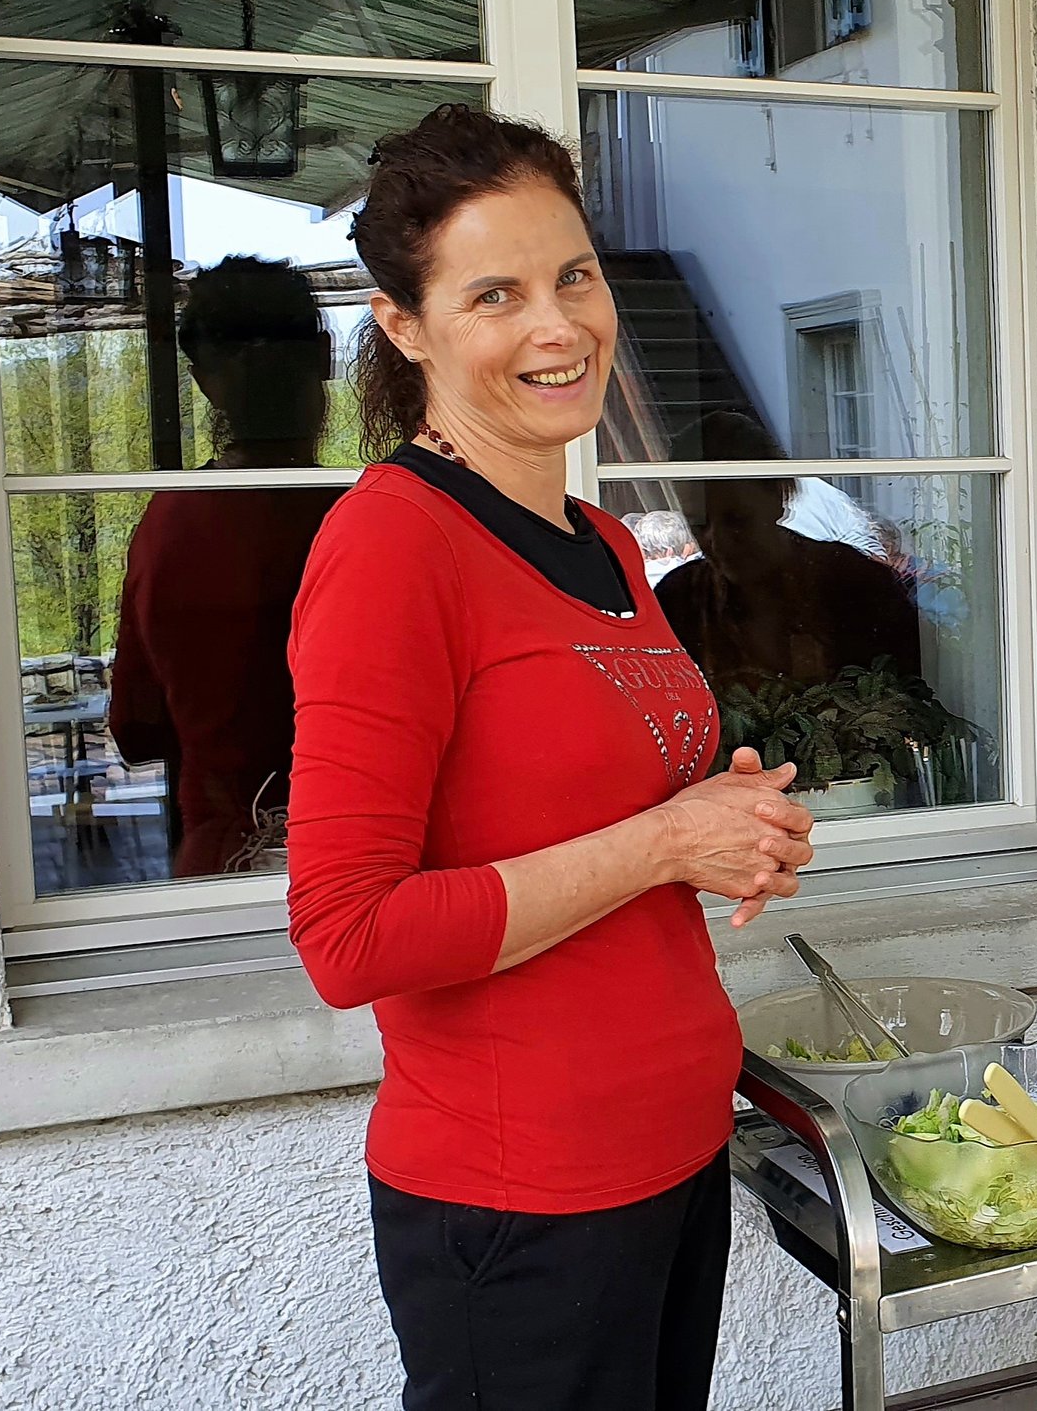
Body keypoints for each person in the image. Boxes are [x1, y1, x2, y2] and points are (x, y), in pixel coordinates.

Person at [286, 105, 817, 1411]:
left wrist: (726, 818)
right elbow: (349, 936)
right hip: (519, 1206)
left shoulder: (604, 541)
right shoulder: (393, 549)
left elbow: (591, 807)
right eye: (495, 293)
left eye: (574, 274)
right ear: (405, 324)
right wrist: (662, 840)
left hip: (672, 1157)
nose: (558, 324)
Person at [108, 256, 345, 876]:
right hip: (362, 857)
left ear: (203, 380)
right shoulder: (367, 517)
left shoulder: (169, 527)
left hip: (218, 876)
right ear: (324, 356)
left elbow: (136, 730)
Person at [654, 410, 923, 692]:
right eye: (699, 524)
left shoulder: (857, 585)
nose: (717, 542)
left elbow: (910, 697)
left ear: (780, 496)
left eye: (737, 520)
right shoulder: (677, 599)